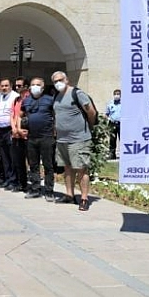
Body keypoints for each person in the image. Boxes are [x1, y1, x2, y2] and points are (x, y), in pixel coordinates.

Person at [51, 71, 97, 211]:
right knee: (67, 167)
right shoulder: (57, 96)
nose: (58, 83)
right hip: (62, 139)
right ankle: (69, 195)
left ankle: (84, 198)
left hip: (79, 139)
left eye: (60, 80)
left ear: (67, 80)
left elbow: (91, 112)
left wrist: (89, 126)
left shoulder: (77, 93)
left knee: (81, 168)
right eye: (55, 81)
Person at [20, 77, 56, 201]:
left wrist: (55, 131)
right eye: (33, 84)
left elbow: (55, 116)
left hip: (46, 137)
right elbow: (21, 115)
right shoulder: (26, 101)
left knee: (48, 165)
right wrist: (21, 127)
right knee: (33, 165)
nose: (35, 86)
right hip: (31, 138)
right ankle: (35, 189)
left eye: (37, 84)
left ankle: (49, 191)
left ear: (43, 87)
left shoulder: (50, 100)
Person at [0, 78, 19, 190]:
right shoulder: (1, 96)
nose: (4, 88)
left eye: (6, 86)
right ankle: (7, 178)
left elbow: (15, 113)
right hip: (1, 130)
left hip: (10, 129)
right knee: (4, 156)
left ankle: (14, 180)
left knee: (12, 156)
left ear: (10, 86)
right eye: (2, 86)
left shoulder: (15, 96)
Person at [10, 76, 30, 192]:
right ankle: (21, 183)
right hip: (16, 135)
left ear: (26, 86)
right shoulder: (16, 100)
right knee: (18, 160)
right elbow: (12, 116)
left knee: (31, 161)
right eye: (16, 86)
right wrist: (14, 128)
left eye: (19, 85)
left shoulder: (30, 99)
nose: (17, 88)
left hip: (28, 135)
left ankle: (33, 184)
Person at [106, 89, 121, 160]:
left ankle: (124, 153)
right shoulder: (110, 103)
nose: (116, 95)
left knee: (123, 139)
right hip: (112, 123)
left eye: (118, 94)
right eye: (115, 94)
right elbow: (107, 114)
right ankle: (112, 154)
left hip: (121, 124)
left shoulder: (124, 103)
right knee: (112, 140)